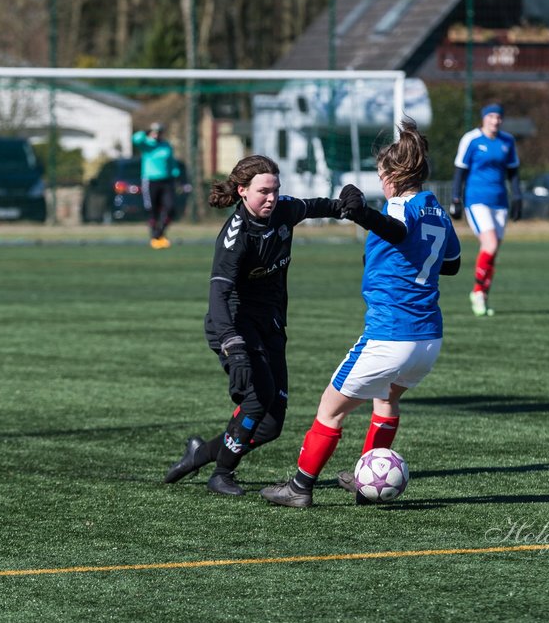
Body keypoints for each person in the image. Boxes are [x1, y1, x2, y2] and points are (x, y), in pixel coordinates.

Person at [161, 154, 406, 496]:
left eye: (275, 190)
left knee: (271, 426)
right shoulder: (235, 236)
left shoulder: (283, 211)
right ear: (242, 191)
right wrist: (232, 344)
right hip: (234, 325)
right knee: (255, 402)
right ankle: (221, 474)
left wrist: (349, 202)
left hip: (272, 324)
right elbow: (219, 293)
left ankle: (198, 455)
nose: (271, 198)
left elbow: (323, 207)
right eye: (263, 191)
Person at [261, 120, 461, 508]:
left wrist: (361, 213)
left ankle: (300, 487)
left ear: (392, 175)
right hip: (428, 339)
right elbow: (450, 264)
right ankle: (364, 480)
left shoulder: (399, 207)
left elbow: (395, 229)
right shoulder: (438, 212)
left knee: (329, 409)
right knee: (386, 401)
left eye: (381, 173)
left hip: (391, 334)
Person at [449, 102, 520, 317]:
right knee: (489, 243)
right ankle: (478, 294)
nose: (495, 121)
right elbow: (460, 170)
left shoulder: (507, 141)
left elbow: (513, 172)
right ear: (484, 118)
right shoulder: (471, 139)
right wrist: (455, 198)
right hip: (476, 200)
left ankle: (482, 293)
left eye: (498, 117)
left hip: (500, 202)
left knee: (493, 250)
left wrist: (517, 196)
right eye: (491, 117)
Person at [131, 122, 181, 249]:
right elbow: (136, 138)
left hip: (166, 181)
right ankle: (154, 236)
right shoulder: (146, 145)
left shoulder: (165, 145)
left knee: (170, 207)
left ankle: (160, 233)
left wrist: (176, 175)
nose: (156, 134)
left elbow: (171, 162)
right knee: (152, 209)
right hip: (150, 181)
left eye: (158, 132)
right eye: (154, 132)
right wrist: (147, 131)